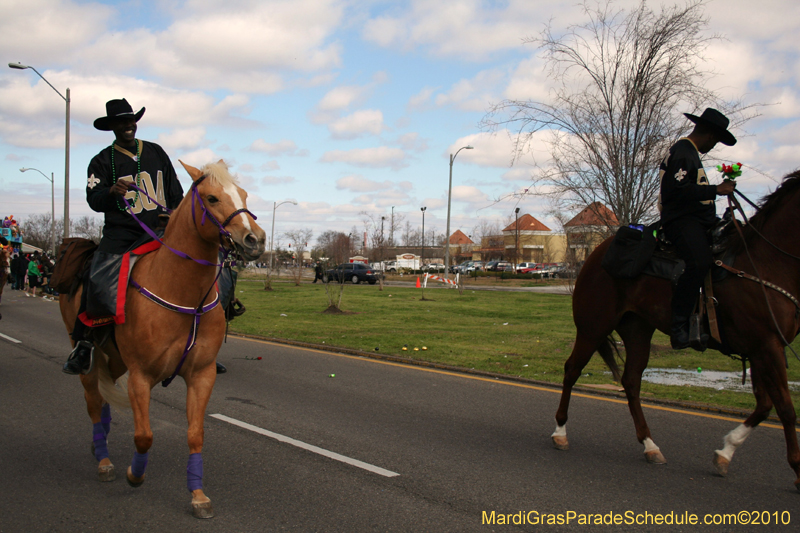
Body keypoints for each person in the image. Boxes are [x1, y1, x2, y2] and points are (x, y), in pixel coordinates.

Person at [62, 98, 227, 375]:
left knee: (214, 269)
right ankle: (85, 342)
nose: (128, 125)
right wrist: (111, 192)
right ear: (112, 127)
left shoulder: (155, 152)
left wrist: (174, 216)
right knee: (97, 275)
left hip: (163, 231)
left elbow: (175, 192)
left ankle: (203, 347)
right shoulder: (102, 161)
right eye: (121, 122)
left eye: (131, 120)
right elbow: (94, 198)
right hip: (122, 233)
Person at [658, 108, 737, 350]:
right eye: (716, 141)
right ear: (710, 135)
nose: (714, 146)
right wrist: (716, 190)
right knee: (699, 262)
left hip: (696, 220)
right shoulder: (683, 152)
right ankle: (679, 327)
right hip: (680, 221)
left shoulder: (690, 154)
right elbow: (677, 191)